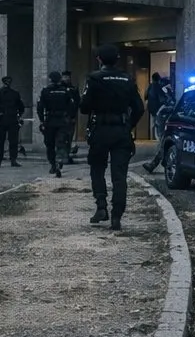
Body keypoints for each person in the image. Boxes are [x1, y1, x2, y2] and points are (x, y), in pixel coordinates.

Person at [80, 43, 144, 230]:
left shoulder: (93, 78)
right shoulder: (127, 79)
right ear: (118, 59)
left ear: (99, 59)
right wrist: (128, 125)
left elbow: (84, 107)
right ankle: (117, 216)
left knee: (97, 169)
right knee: (119, 175)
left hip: (100, 130)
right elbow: (139, 108)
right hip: (121, 132)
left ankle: (101, 207)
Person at [36, 70, 77, 176]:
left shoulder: (45, 91)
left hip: (50, 120)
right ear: (59, 80)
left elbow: (40, 107)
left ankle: (53, 164)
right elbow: (72, 106)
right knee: (61, 142)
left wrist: (41, 120)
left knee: (49, 144)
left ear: (50, 79)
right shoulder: (65, 91)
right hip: (63, 121)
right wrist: (71, 117)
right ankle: (59, 160)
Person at [0, 75, 25, 167]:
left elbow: (21, 106)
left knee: (11, 141)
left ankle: (11, 160)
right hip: (5, 119)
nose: (8, 83)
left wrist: (19, 115)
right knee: (2, 141)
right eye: (7, 81)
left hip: (9, 119)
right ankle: (0, 160)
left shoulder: (13, 93)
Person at [61, 71, 82, 164]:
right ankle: (63, 156)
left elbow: (77, 102)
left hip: (71, 116)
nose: (66, 79)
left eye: (68, 77)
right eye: (64, 77)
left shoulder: (73, 89)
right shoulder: (59, 88)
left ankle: (67, 154)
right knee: (62, 137)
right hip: (61, 117)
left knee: (69, 136)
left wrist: (73, 115)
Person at [146, 73, 173, 141]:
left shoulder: (150, 86)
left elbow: (145, 96)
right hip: (159, 109)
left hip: (151, 109)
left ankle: (152, 138)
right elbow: (164, 99)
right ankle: (158, 138)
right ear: (159, 79)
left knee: (153, 124)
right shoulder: (159, 87)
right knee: (159, 124)